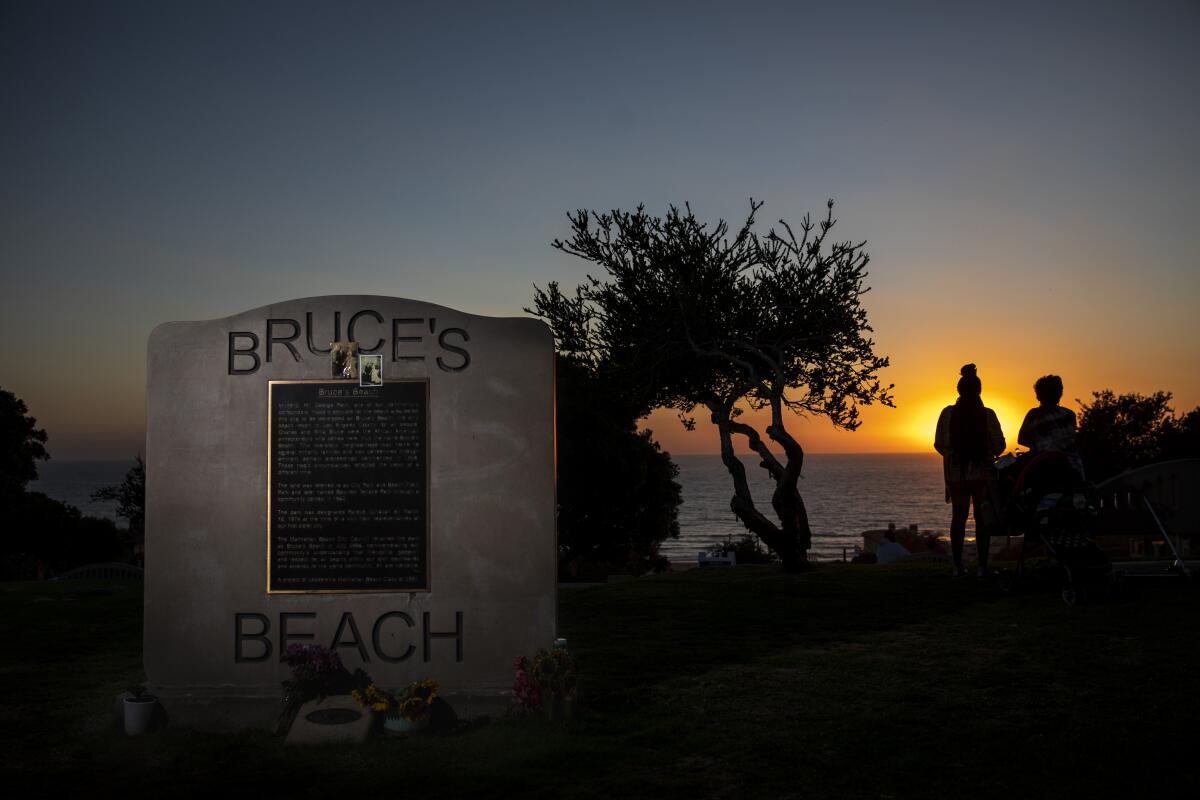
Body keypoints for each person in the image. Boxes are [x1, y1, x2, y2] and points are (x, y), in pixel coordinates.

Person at [934, 364, 1006, 578]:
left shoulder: (947, 414)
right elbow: (1000, 445)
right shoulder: (987, 415)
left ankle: (957, 567)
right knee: (982, 519)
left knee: (958, 517)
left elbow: (938, 444)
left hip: (956, 476)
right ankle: (982, 567)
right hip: (982, 475)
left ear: (959, 390)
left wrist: (953, 458)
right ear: (979, 391)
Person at [1018, 374, 1084, 477]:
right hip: (1073, 465)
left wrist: (1038, 444)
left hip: (1043, 464)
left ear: (1038, 395)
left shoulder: (1034, 414)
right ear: (1059, 393)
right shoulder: (1069, 414)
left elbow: (1021, 439)